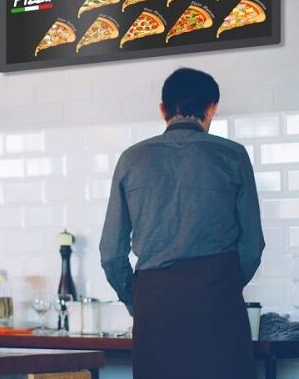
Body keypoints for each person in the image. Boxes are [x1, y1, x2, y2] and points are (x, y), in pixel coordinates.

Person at [100, 67, 264, 379]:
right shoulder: (233, 156)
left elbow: (111, 253)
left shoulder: (131, 159)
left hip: (155, 306)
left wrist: (138, 301)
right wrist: (222, 287)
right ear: (212, 107)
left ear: (163, 109)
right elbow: (252, 248)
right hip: (218, 302)